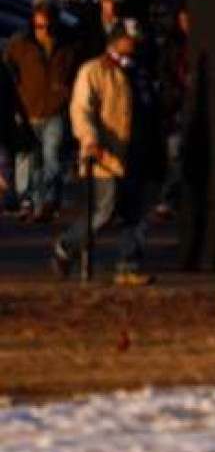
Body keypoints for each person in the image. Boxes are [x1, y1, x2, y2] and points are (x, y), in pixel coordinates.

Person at [55, 19, 150, 284]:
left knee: (134, 211)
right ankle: (66, 246)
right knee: (104, 211)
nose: (134, 44)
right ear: (116, 40)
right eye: (129, 39)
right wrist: (89, 139)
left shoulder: (137, 72)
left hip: (133, 152)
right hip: (103, 155)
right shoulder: (93, 71)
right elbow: (81, 109)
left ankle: (127, 265)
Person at [6, 0, 79, 223]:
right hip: (27, 108)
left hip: (53, 108)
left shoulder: (66, 46)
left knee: (51, 157)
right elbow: (9, 70)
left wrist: (65, 92)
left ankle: (47, 200)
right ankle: (30, 200)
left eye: (48, 26)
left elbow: (73, 73)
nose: (44, 31)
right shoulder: (20, 44)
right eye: (39, 26)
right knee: (29, 159)